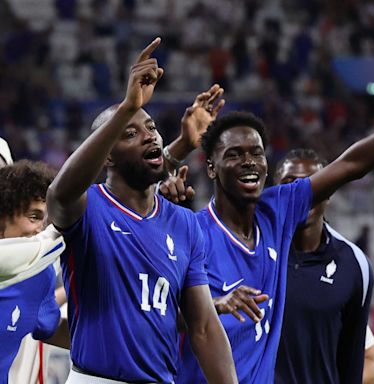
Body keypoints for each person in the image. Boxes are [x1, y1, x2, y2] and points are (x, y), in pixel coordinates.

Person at [162, 53, 374, 383]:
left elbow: (352, 164)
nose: (249, 162)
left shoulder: (278, 210)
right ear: (212, 168)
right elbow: (158, 313)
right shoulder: (193, 232)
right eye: (234, 154)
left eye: (256, 153)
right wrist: (216, 304)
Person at [46, 37, 237, 384]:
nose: (149, 135)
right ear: (107, 155)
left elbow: (204, 327)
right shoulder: (87, 207)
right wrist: (126, 107)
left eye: (151, 127)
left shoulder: (184, 224)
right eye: (129, 133)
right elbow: (58, 194)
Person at [272, 148, 374, 383]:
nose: (301, 195)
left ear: (329, 193)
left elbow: (356, 360)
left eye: (312, 186)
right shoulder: (251, 253)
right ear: (275, 192)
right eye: (289, 184)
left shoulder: (355, 265)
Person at [0, 160, 68, 383]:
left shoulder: (41, 275)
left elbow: (46, 324)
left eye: (44, 220)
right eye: (34, 217)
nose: (40, 229)